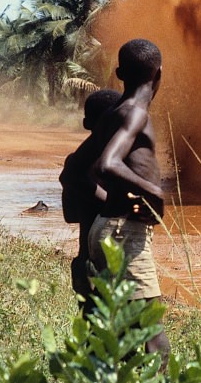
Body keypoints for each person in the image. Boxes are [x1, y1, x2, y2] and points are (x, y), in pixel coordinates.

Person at [88, 38, 170, 362]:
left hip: (109, 227)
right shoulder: (136, 113)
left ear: (119, 73)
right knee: (154, 340)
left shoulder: (113, 113)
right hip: (124, 234)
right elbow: (107, 164)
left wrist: (119, 203)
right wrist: (154, 193)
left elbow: (89, 171)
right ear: (159, 73)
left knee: (120, 334)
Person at [59, 88, 121, 317]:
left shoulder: (75, 163)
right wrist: (112, 205)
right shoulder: (122, 163)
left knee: (91, 327)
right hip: (118, 265)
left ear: (86, 123)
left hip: (86, 263)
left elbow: (70, 216)